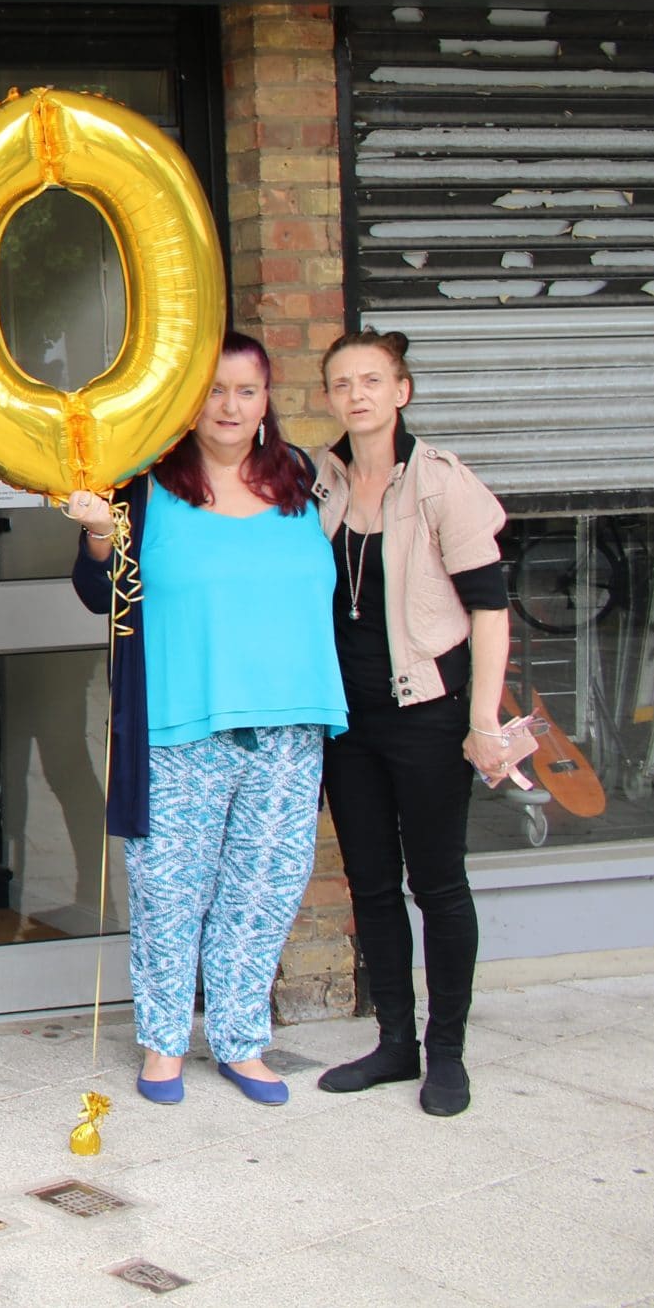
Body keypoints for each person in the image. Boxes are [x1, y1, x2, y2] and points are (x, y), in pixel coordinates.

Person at [65, 330, 347, 1107]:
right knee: (168, 891)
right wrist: (98, 533)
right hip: (179, 723)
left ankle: (241, 1040)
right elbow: (98, 592)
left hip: (290, 722)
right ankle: (163, 1042)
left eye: (245, 390)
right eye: (213, 390)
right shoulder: (146, 485)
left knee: (264, 888)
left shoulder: (304, 479)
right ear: (189, 402)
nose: (229, 405)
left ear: (266, 400)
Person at [311, 328, 510, 1118]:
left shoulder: (440, 483)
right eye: (342, 383)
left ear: (401, 391)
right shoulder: (320, 481)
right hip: (350, 722)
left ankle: (446, 1050)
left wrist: (483, 719)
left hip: (428, 712)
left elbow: (489, 609)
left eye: (372, 380)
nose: (356, 394)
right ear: (328, 397)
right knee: (370, 884)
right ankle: (396, 1041)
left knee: (437, 883)